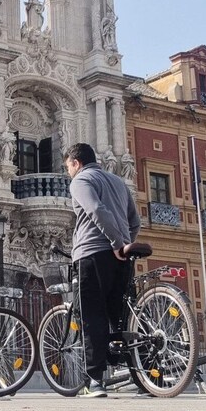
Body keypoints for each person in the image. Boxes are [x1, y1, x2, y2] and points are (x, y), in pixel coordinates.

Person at [63, 142, 141, 398]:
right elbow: (135, 221)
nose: (68, 173)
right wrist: (125, 244)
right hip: (122, 259)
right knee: (119, 318)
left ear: (76, 163)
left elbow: (96, 209)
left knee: (91, 316)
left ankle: (94, 380)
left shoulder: (80, 181)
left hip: (92, 254)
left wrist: (117, 243)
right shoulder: (118, 182)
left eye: (68, 167)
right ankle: (142, 374)